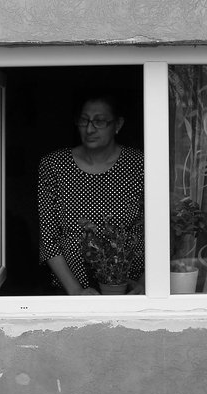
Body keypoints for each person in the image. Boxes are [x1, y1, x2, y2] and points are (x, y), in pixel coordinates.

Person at [37, 92, 144, 295]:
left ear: (118, 124)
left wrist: (144, 284)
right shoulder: (54, 166)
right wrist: (76, 291)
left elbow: (156, 230)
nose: (89, 129)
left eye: (100, 121)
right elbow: (48, 237)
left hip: (130, 289)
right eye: (83, 121)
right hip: (71, 287)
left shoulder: (139, 164)